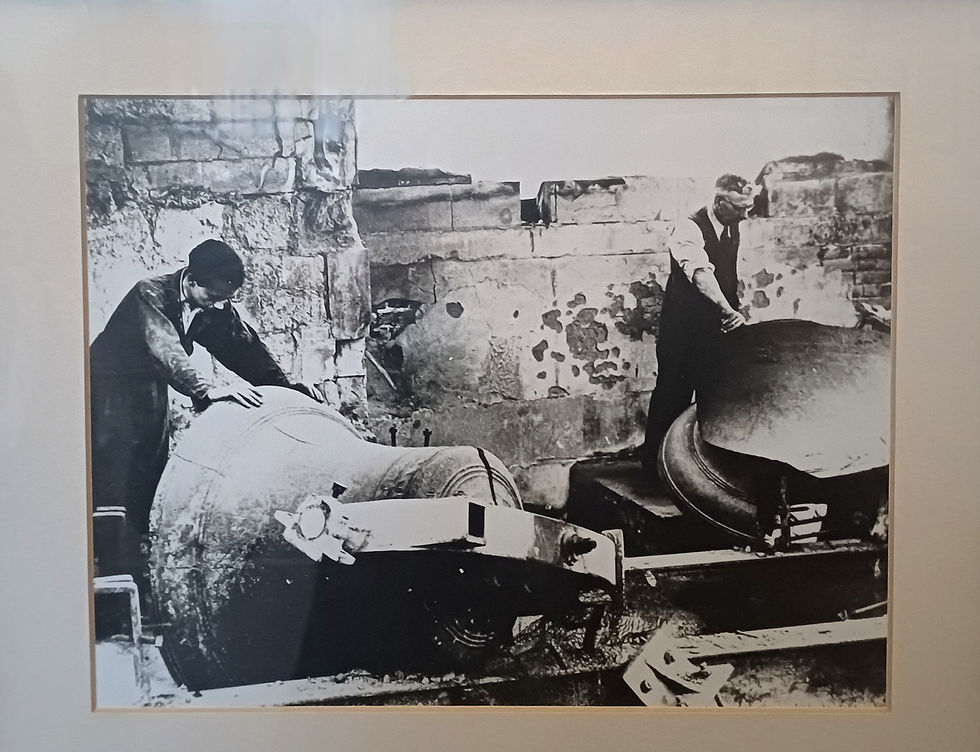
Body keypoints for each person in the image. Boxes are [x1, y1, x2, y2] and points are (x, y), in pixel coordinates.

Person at [90, 239, 323, 540]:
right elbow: (165, 350)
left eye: (225, 300)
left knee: (149, 467)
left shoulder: (214, 306)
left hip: (151, 389)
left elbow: (245, 350)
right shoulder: (148, 293)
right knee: (113, 467)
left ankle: (141, 546)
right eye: (213, 297)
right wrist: (206, 389)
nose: (219, 305)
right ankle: (107, 551)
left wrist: (286, 389)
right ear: (191, 280)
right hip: (108, 387)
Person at [640, 174, 756, 480]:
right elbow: (701, 274)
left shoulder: (733, 224)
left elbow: (727, 274)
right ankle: (654, 472)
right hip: (683, 329)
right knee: (672, 395)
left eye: (751, 204)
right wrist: (727, 310)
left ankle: (704, 472)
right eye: (741, 206)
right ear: (720, 202)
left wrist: (733, 312)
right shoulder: (689, 227)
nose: (748, 212)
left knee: (714, 395)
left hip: (715, 328)